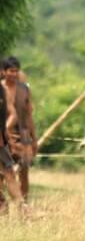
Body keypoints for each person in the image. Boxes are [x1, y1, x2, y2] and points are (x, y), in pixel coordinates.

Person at [1, 56, 37, 200]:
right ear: (4, 71)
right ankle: (3, 207)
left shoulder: (25, 89)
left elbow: (29, 116)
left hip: (23, 135)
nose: (14, 74)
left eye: (16, 71)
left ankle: (24, 207)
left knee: (24, 171)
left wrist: (34, 139)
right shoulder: (0, 88)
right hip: (3, 137)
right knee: (4, 173)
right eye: (11, 71)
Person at [0, 78, 27, 216]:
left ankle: (23, 208)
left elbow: (12, 114)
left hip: (1, 141)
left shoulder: (2, 90)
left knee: (9, 173)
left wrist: (8, 138)